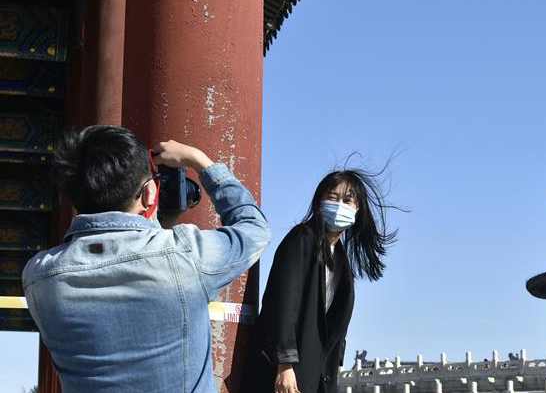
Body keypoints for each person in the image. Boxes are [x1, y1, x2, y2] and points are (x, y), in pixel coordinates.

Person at [22, 126, 270, 392]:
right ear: (150, 192)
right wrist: (199, 160)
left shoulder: (39, 276)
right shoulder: (186, 255)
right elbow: (255, 229)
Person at [245, 168, 399, 393]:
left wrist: (334, 364)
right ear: (319, 203)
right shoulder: (302, 239)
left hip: (317, 372)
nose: (339, 206)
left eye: (347, 200)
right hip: (286, 372)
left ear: (357, 209)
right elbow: (282, 303)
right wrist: (284, 364)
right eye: (333, 198)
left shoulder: (341, 260)